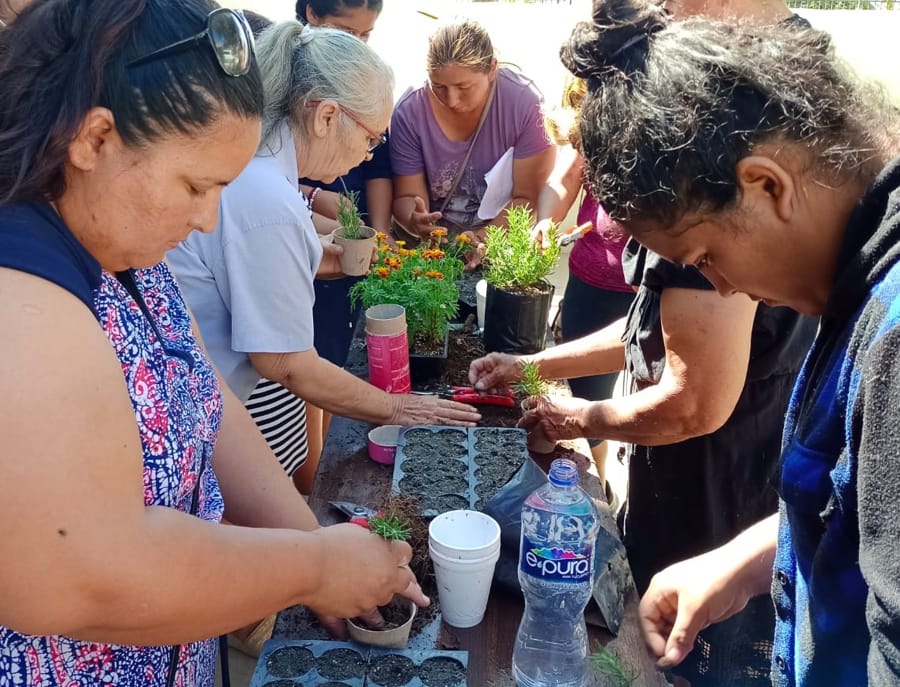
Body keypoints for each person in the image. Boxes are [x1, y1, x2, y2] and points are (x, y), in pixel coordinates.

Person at [0, 1, 427, 685]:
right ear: (94, 139)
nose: (205, 220)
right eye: (195, 186)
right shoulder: (22, 302)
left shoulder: (123, 251)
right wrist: (314, 567)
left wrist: (315, 542)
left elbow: (211, 401)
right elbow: (94, 578)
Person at [470, 4, 818, 685]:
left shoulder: (703, 181)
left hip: (721, 513)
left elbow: (693, 402)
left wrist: (579, 417)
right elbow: (649, 336)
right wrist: (535, 364)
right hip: (682, 493)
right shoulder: (696, 179)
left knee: (683, 663)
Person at [561, 0, 900, 684]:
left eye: (707, 253)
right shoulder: (857, 282)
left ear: (766, 185)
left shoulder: (892, 345)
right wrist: (749, 559)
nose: (718, 285)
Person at [168, 21, 481, 491]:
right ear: (326, 116)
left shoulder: (265, 166)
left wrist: (318, 252)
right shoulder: (267, 196)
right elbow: (285, 362)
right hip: (195, 412)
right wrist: (401, 407)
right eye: (371, 138)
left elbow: (257, 258)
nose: (366, 155)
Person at [390, 18, 556, 255]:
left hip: (499, 245)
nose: (451, 100)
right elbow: (406, 196)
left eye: (464, 88)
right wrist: (414, 219)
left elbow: (527, 199)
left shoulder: (525, 104)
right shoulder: (409, 111)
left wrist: (481, 238)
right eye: (438, 86)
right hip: (429, 251)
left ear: (491, 69)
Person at [539, 75, 634, 485]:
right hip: (591, 287)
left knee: (647, 398)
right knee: (586, 398)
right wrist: (547, 218)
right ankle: (597, 481)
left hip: (650, 292)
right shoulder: (590, 107)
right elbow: (564, 179)